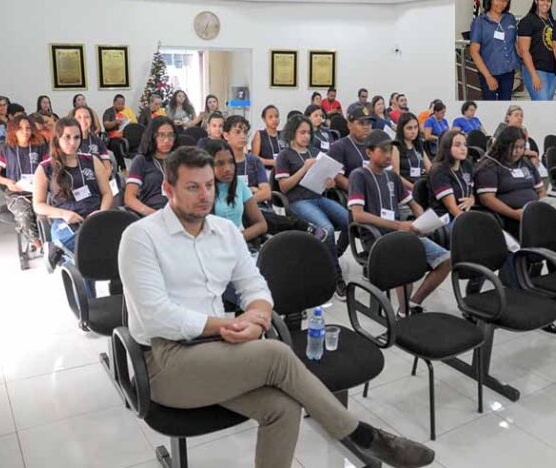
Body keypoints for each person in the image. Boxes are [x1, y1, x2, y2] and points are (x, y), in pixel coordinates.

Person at [117, 146, 435, 468]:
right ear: (167, 189)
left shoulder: (225, 231)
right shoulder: (141, 237)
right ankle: (362, 436)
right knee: (277, 354)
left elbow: (254, 286)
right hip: (164, 361)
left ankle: (360, 437)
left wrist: (257, 319)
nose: (205, 195)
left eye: (209, 185)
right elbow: (155, 316)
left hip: (216, 351)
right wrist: (223, 325)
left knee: (283, 409)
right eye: (192, 187)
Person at [348, 130, 451, 316]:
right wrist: (398, 225)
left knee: (446, 260)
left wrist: (421, 221)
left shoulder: (392, 177)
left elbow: (413, 203)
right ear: (369, 152)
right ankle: (403, 313)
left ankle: (413, 303)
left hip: (401, 234)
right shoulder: (359, 175)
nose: (389, 155)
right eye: (383, 150)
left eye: (390, 150)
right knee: (406, 264)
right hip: (376, 238)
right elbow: (358, 216)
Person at [473, 126, 556, 332]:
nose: (518, 151)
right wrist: (517, 213)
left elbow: (540, 189)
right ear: (503, 145)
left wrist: (540, 208)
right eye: (515, 147)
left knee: (551, 241)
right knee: (514, 252)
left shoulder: (526, 163)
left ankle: (539, 291)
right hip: (503, 220)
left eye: (521, 147)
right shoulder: (489, 166)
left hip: (529, 219)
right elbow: (487, 199)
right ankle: (516, 298)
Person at [276, 115, 350, 299]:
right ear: (292, 133)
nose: (306, 136)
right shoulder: (285, 155)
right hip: (298, 201)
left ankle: (332, 254)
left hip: (318, 196)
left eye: (308, 132)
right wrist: (304, 169)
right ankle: (335, 276)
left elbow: (323, 179)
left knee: (352, 219)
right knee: (327, 229)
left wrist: (330, 182)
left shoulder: (315, 152)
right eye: (302, 132)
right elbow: (283, 187)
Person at [224, 114, 327, 241]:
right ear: (226, 135)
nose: (243, 136)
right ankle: (303, 227)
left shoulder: (254, 161)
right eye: (238, 132)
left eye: (245, 132)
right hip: (230, 210)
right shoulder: (221, 163)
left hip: (257, 209)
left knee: (256, 217)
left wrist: (243, 200)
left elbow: (266, 193)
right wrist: (251, 191)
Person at [33, 118, 113, 276]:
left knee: (117, 247)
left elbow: (107, 193)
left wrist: (101, 213)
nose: (72, 142)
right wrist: (64, 214)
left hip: (96, 216)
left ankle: (118, 295)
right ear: (57, 139)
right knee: (84, 254)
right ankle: (87, 299)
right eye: (67, 137)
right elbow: (38, 205)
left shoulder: (92, 161)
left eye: (76, 137)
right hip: (66, 220)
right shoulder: (45, 168)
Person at [0, 115, 49, 248]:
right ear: (13, 130)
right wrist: (8, 182)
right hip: (16, 193)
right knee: (24, 216)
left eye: (28, 128)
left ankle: (49, 241)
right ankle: (39, 246)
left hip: (39, 191)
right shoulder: (6, 149)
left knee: (45, 214)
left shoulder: (40, 147)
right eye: (20, 128)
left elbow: (49, 168)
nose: (25, 131)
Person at [207, 140, 267, 241]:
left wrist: (237, 238)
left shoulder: (239, 184)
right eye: (220, 163)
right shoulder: (203, 189)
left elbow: (261, 224)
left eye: (231, 162)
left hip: (239, 241)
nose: (228, 168)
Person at [469, 0, 519, 101]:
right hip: (489, 73)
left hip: (508, 72)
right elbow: (474, 51)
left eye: (505, 0)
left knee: (506, 102)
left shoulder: (510, 18)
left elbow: (514, 43)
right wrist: (488, 77)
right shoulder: (480, 22)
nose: (501, 3)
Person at [125, 117, 177, 216]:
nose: (167, 140)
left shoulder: (181, 160)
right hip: (151, 213)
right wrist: (153, 214)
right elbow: (129, 198)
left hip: (178, 213)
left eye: (171, 135)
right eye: (161, 135)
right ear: (152, 137)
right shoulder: (141, 160)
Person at [518, 0, 556, 100]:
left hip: (552, 71)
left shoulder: (551, 21)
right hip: (536, 70)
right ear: (536, 1)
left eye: (548, 0)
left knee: (547, 105)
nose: (545, 3)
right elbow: (524, 51)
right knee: (542, 103)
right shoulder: (527, 21)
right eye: (542, 0)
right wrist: (534, 75)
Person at [428, 130, 475, 223]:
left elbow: (471, 191)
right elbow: (451, 207)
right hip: (446, 218)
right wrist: (470, 223)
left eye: (465, 145)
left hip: (464, 213)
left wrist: (472, 200)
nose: (463, 148)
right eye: (457, 145)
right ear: (447, 148)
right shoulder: (439, 171)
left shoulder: (466, 165)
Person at [328, 108, 373, 192]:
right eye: (361, 123)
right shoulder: (339, 146)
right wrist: (359, 192)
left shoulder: (374, 145)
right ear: (349, 125)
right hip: (353, 195)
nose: (366, 127)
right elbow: (337, 177)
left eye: (369, 123)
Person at [393, 112, 431, 191]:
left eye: (415, 127)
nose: (413, 131)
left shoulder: (419, 145)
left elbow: (430, 168)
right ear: (401, 129)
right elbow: (396, 175)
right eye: (409, 128)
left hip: (421, 186)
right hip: (405, 190)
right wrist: (414, 188)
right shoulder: (396, 147)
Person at [72, 105, 112, 177]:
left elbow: (108, 169)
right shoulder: (68, 142)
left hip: (98, 181)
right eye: (79, 117)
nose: (83, 120)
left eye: (87, 117)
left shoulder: (98, 141)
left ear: (92, 120)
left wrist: (101, 182)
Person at [103, 94, 137, 172]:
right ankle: (123, 167)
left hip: (126, 135)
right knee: (117, 144)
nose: (121, 106)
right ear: (114, 103)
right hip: (113, 136)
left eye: (123, 104)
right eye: (119, 104)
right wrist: (115, 122)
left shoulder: (127, 111)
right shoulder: (109, 112)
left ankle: (136, 168)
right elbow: (106, 125)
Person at [251, 105, 284, 170]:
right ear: (264, 119)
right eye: (270, 117)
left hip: (282, 170)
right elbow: (254, 158)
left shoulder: (283, 134)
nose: (274, 119)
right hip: (265, 170)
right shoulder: (259, 134)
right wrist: (272, 162)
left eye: (276, 116)